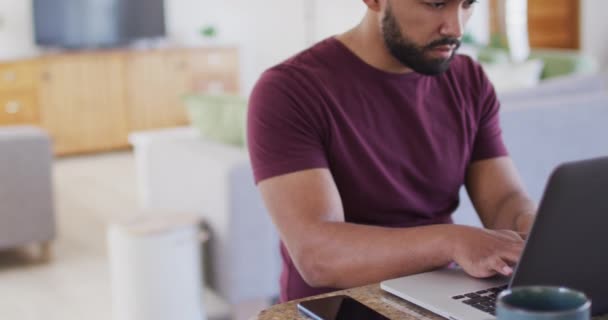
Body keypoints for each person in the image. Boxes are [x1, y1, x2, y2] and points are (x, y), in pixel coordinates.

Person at [247, 0, 537, 302]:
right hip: (339, 307)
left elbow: (505, 202)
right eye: (435, 3)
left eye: (467, 4)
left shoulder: (468, 80)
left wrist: (540, 229)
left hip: (441, 298)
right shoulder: (289, 90)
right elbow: (318, 256)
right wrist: (452, 242)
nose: (456, 27)